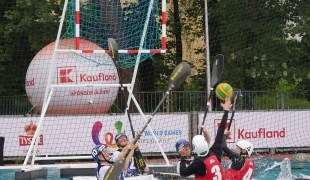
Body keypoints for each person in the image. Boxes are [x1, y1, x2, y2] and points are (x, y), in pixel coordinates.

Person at [179, 96, 232, 179]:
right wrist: (226, 111)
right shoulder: (215, 151)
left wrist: (183, 158)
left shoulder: (198, 163)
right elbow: (220, 131)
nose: (187, 149)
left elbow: (183, 173)